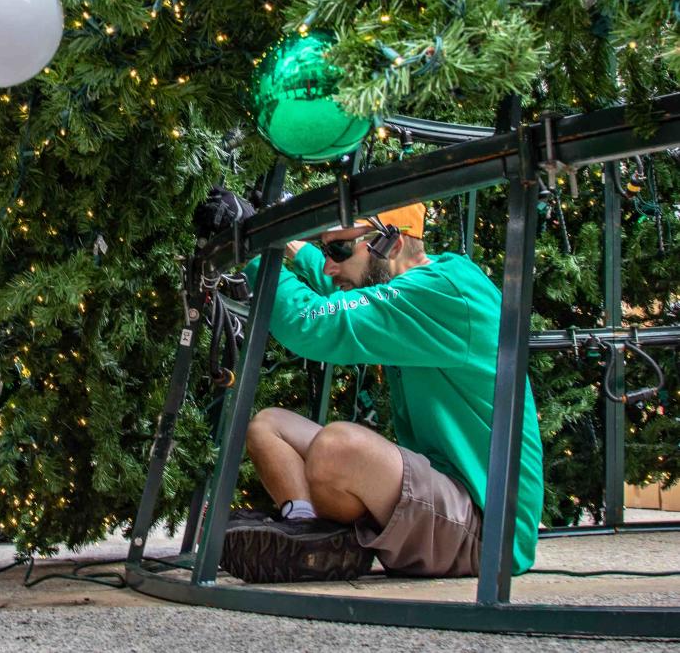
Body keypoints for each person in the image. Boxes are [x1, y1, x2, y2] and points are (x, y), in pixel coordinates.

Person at [220, 202, 544, 583]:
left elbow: (316, 324)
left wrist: (257, 254)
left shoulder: (442, 293)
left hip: (487, 533)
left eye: (339, 250)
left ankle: (333, 540)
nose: (329, 265)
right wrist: (281, 238)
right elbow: (340, 288)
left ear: (392, 243)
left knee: (336, 448)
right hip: (441, 498)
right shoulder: (417, 285)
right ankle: (312, 537)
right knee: (267, 427)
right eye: (327, 251)